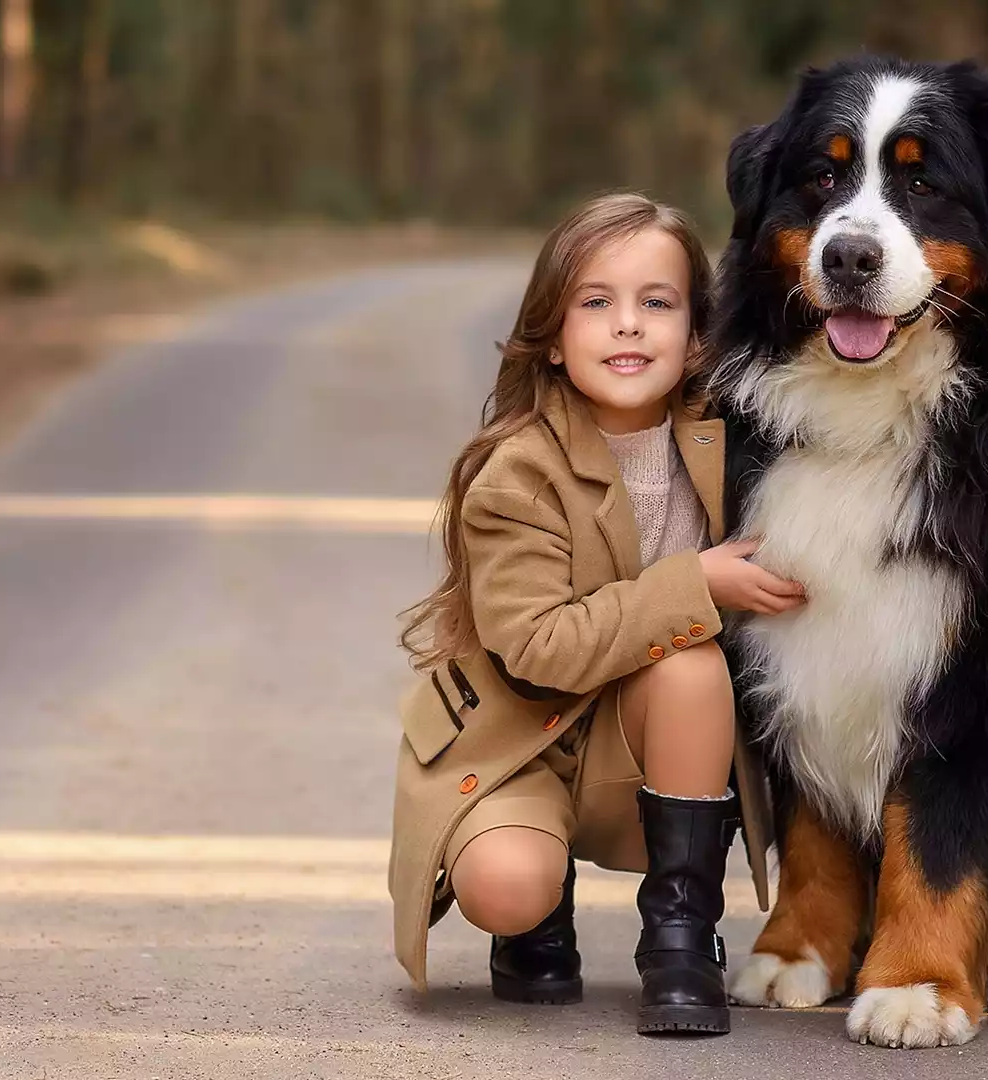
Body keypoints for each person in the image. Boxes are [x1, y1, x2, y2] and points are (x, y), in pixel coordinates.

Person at [389, 192, 803, 1036]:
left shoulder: (740, 442)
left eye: (657, 303)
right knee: (508, 887)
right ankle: (538, 918)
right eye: (596, 302)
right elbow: (541, 646)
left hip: (650, 737)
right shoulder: (516, 474)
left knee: (689, 665)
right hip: (523, 740)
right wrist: (699, 584)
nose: (628, 326)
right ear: (550, 335)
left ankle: (682, 938)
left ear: (697, 338)